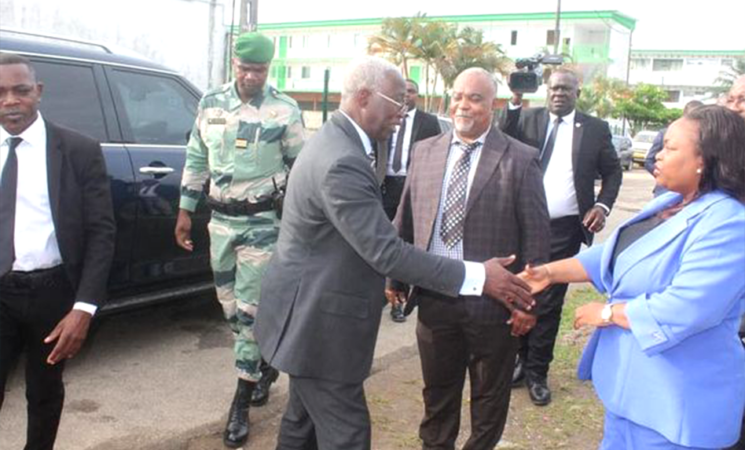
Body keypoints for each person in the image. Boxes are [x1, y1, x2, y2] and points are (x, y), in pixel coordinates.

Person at [253, 56, 537, 450]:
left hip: (312, 323)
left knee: (301, 427)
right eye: (397, 102)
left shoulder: (343, 143)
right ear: (366, 97)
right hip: (320, 330)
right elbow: (386, 251)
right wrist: (480, 276)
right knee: (347, 436)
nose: (403, 114)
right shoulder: (342, 160)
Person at [521, 105, 745, 449]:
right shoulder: (670, 202)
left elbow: (686, 307)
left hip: (679, 408)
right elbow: (616, 254)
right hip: (631, 396)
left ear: (706, 159)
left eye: (670, 148)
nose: (657, 154)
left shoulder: (729, 222)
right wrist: (549, 272)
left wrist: (608, 313)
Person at [388, 67, 550, 450]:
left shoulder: (520, 159)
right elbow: (406, 218)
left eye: (475, 98)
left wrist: (529, 304)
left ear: (492, 105)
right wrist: (395, 277)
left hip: (494, 305)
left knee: (489, 401)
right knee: (437, 397)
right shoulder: (424, 152)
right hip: (435, 299)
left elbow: (537, 238)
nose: (464, 105)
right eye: (458, 96)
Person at [174, 32, 306, 448]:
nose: (251, 76)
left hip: (263, 225)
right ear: (234, 64)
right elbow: (197, 155)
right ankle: (264, 360)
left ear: (270, 69)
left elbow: (300, 169)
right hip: (220, 223)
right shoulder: (211, 104)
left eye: (260, 69)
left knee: (248, 313)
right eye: (245, 68)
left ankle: (240, 403)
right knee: (230, 308)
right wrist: (184, 209)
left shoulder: (284, 111)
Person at [0, 53, 116, 450]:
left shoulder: (78, 150)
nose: (10, 100)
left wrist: (83, 308)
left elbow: (101, 232)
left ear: (39, 92)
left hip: (52, 294)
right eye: (0, 93)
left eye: (20, 90)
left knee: (45, 393)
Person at [500, 68, 622, 406]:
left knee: (550, 302)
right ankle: (519, 361)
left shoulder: (595, 129)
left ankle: (538, 371)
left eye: (565, 89)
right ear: (546, 90)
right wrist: (514, 99)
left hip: (564, 229)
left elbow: (613, 172)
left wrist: (602, 205)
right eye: (553, 88)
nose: (558, 94)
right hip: (519, 224)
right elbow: (501, 134)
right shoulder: (526, 119)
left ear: (576, 92)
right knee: (518, 292)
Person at [383, 78, 441, 323]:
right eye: (403, 91)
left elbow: (436, 156)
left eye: (412, 91)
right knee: (382, 240)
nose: (407, 95)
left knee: (404, 242)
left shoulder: (428, 122)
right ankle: (380, 292)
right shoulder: (386, 116)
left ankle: (398, 300)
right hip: (385, 187)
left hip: (413, 187)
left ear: (417, 95)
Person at [644, 100, 704, 196]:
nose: (659, 156)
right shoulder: (666, 133)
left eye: (670, 148)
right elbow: (649, 160)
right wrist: (660, 173)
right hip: (663, 191)